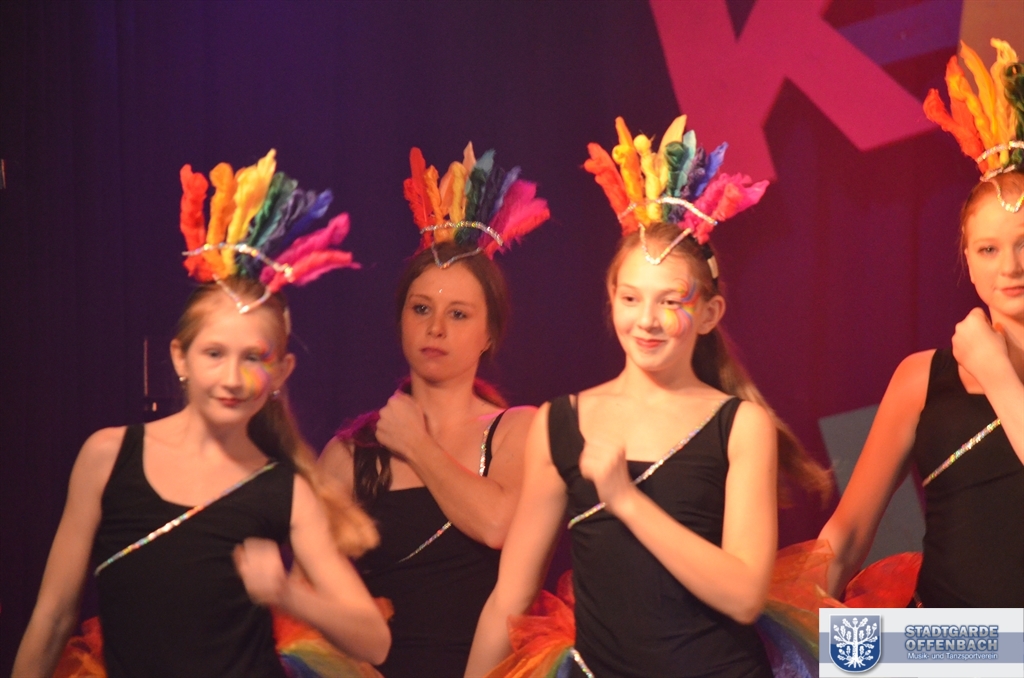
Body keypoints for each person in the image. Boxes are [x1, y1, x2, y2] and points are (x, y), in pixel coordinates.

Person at [466, 117, 830, 678]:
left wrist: (625, 498)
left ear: (708, 314)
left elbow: (743, 595)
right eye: (632, 298)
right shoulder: (560, 424)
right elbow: (509, 599)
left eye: (671, 301)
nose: (648, 320)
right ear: (611, 298)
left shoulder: (739, 426)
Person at [13, 150, 391, 678]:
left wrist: (288, 594)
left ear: (281, 372)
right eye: (214, 353)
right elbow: (53, 617)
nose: (232, 378)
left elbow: (374, 642)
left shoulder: (283, 489)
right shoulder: (108, 457)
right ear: (180, 358)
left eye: (254, 358)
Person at [318, 144, 549, 677]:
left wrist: (418, 446)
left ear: (489, 333)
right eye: (421, 309)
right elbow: (309, 592)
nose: (436, 328)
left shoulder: (518, 429)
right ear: (401, 319)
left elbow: (498, 525)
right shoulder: (349, 455)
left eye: (458, 314)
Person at [818, 40, 1024, 607]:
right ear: (967, 259)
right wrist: (796, 629)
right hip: (947, 645)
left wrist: (995, 372)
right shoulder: (920, 379)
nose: (1010, 267)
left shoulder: (988, 368)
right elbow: (848, 535)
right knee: (856, 646)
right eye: (988, 249)